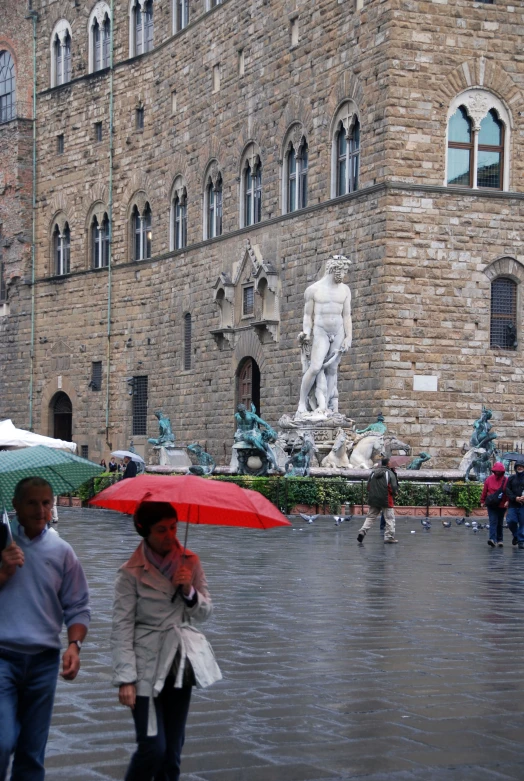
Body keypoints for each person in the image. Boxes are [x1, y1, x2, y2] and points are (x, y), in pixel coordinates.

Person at [111, 502, 221, 781]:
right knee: (152, 748)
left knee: (172, 753)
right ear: (144, 531)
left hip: (178, 663)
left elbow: (206, 612)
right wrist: (126, 678)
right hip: (144, 666)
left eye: (173, 527)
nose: (169, 535)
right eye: (161, 530)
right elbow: (122, 626)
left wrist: (189, 591)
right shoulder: (129, 572)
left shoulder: (190, 563)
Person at [0, 476, 90, 781]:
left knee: (32, 752)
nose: (41, 510)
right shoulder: (2, 543)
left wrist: (74, 645)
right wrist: (3, 571)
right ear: (15, 506)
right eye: (32, 503)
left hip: (43, 662)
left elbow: (77, 604)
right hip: (3, 658)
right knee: (2, 741)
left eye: (46, 503)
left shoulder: (62, 551)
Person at [297, 255, 352, 416]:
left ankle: (325, 407)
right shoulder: (313, 290)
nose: (344, 275)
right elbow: (307, 316)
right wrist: (306, 332)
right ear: (334, 269)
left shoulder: (345, 290)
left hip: (339, 331)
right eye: (343, 271)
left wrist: (349, 336)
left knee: (332, 369)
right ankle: (302, 403)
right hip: (321, 331)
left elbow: (347, 316)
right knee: (315, 367)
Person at [357, 457, 399, 544]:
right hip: (386, 499)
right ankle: (389, 536)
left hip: (374, 499)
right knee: (389, 518)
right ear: (388, 464)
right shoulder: (390, 473)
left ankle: (362, 531)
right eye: (390, 462)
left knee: (370, 517)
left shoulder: (373, 472)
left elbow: (368, 486)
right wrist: (395, 493)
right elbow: (392, 487)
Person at [480, 462, 507, 548]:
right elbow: (485, 490)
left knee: (500, 522)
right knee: (493, 521)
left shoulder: (506, 480)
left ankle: (500, 540)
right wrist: (482, 500)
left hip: (502, 504)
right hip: (491, 504)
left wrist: (508, 501)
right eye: (496, 471)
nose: (498, 472)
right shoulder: (489, 479)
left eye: (499, 471)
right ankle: (492, 539)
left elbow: (508, 492)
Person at [504, 461, 524, 549]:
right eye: (518, 466)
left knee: (522, 523)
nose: (519, 468)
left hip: (523, 505)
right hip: (513, 504)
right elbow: (507, 490)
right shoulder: (511, 478)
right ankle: (516, 535)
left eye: (521, 466)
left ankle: (521, 541)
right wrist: (515, 498)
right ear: (515, 468)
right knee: (511, 521)